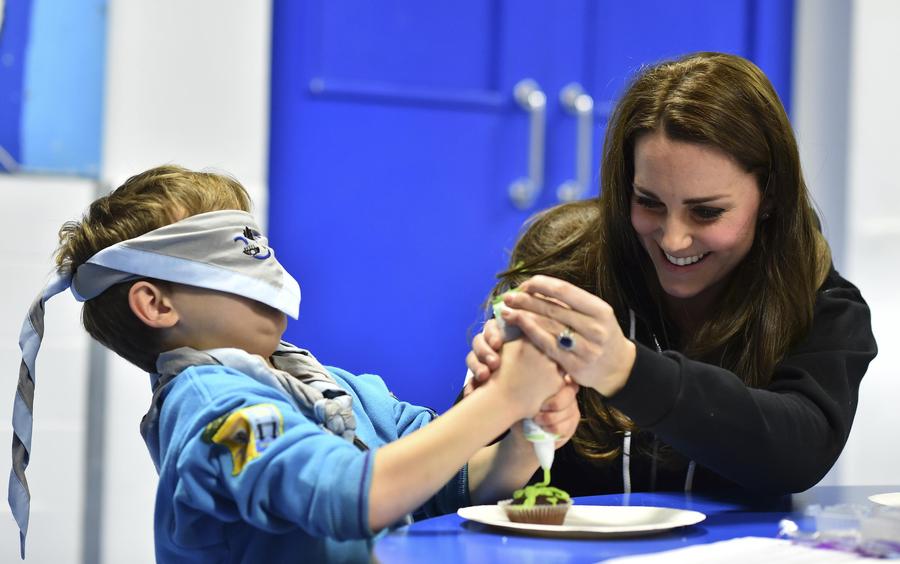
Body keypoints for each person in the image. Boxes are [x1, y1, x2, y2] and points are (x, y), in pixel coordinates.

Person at [9, 165, 579, 562]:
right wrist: (501, 399)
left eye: (257, 245)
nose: (264, 273)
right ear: (155, 304)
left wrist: (526, 437)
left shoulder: (331, 386)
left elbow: (448, 484)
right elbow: (350, 497)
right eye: (227, 258)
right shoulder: (209, 407)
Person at [467, 51, 877, 497]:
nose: (673, 239)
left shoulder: (822, 304)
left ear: (771, 198)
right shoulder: (561, 266)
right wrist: (496, 403)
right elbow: (465, 482)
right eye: (649, 202)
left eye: (706, 212)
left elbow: (800, 453)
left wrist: (624, 368)